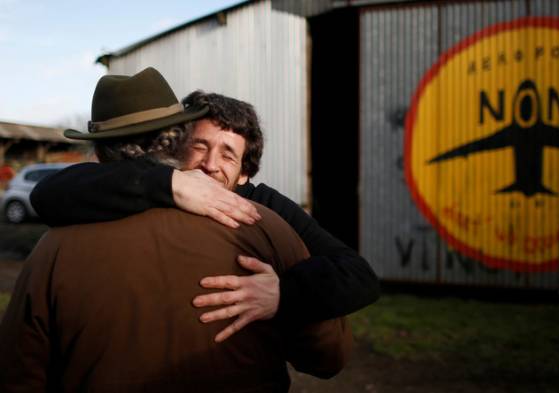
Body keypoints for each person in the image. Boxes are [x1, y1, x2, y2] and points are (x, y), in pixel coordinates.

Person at [0, 67, 351, 391]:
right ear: (179, 140)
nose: (212, 164)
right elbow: (328, 356)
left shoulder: (54, 250)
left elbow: (19, 374)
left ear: (99, 152)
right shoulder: (264, 227)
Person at [31, 90, 379, 341]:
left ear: (245, 172)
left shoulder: (265, 205)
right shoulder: (158, 184)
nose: (211, 165)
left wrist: (284, 295)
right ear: (176, 148)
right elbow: (48, 194)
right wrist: (169, 184)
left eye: (228, 155)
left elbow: (358, 275)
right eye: (200, 146)